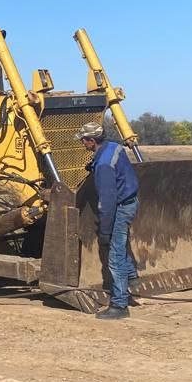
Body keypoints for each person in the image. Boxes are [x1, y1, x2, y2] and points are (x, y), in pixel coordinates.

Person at [76, 121, 140, 320]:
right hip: (131, 201)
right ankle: (132, 277)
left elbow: (107, 201)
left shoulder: (103, 165)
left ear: (92, 140)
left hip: (120, 207)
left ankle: (120, 304)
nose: (82, 144)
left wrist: (104, 231)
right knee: (121, 243)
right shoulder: (114, 147)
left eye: (84, 141)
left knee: (114, 254)